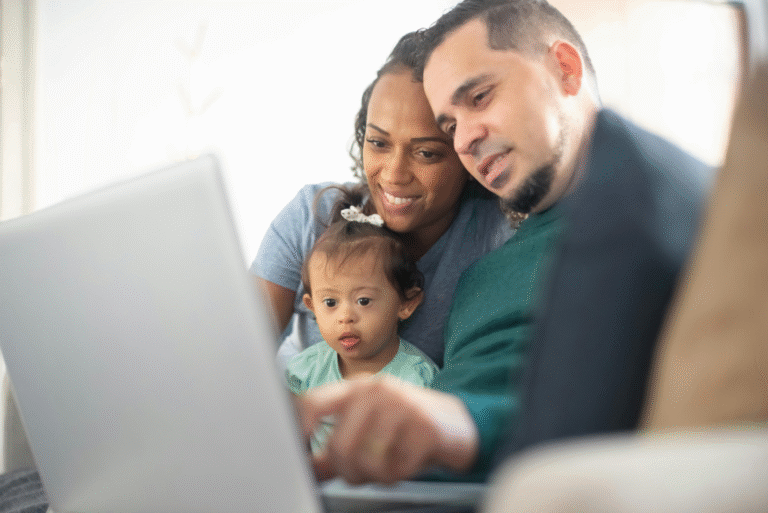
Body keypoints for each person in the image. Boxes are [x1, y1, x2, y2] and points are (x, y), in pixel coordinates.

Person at [298, 0, 706, 485]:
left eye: (480, 97)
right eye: (450, 126)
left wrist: (457, 424)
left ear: (565, 68)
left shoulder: (649, 193)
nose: (464, 140)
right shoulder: (485, 274)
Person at [251, 31, 513, 370]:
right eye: (378, 143)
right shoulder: (310, 217)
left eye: (426, 153)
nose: (394, 175)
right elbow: (238, 354)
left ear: (468, 153)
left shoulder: (499, 239)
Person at [286, 186, 439, 451]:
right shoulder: (304, 371)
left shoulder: (418, 380)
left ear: (406, 303)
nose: (346, 317)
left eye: (364, 301)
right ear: (312, 307)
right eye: (330, 303)